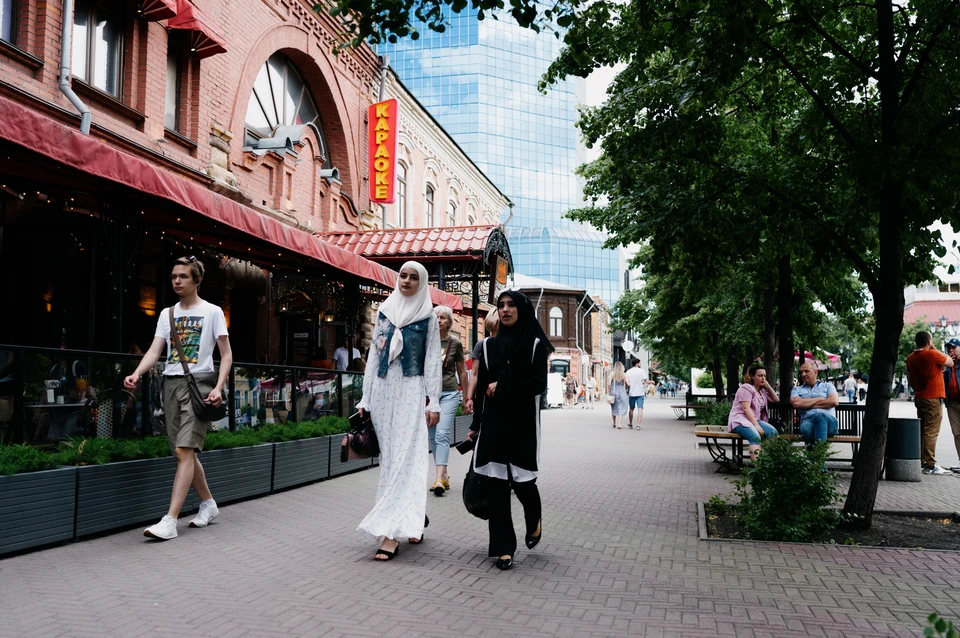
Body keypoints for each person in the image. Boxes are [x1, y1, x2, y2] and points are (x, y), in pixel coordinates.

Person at [124, 256, 232, 540]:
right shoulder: (166, 314)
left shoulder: (213, 312)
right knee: (182, 451)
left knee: (186, 450)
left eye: (183, 276)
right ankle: (208, 504)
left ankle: (170, 520)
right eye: (173, 276)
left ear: (197, 280)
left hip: (200, 385)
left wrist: (219, 387)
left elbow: (227, 354)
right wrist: (137, 373)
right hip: (170, 385)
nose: (176, 281)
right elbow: (154, 351)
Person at [356, 261, 441, 560]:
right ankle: (410, 516)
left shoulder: (428, 316)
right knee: (391, 461)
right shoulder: (384, 311)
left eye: (413, 277)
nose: (406, 280)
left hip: (411, 390)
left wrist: (435, 400)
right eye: (403, 275)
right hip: (382, 390)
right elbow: (373, 355)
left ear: (422, 282)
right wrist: (365, 398)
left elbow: (432, 360)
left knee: (407, 457)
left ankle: (390, 533)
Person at [463, 290, 553, 570]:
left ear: (522, 309)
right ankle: (503, 548)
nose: (505, 310)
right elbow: (480, 393)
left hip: (523, 423)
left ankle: (533, 516)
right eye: (501, 306)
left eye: (511, 305)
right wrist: (475, 426)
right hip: (493, 423)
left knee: (524, 483)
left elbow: (538, 385)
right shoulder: (488, 347)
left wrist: (505, 386)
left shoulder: (536, 344)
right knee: (497, 485)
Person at [429, 305, 466, 496]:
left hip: (449, 393)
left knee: (442, 434)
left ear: (449, 322)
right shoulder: (426, 341)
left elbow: (462, 372)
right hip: (429, 395)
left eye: (443, 317)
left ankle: (437, 479)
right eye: (436, 317)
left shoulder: (455, 343)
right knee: (433, 437)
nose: (439, 320)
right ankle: (443, 474)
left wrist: (467, 397)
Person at [905, 330, 954, 475]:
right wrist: (933, 347)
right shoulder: (932, 354)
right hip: (933, 398)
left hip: (920, 397)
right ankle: (930, 464)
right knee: (931, 431)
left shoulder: (910, 358)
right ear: (928, 341)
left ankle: (920, 461)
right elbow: (950, 362)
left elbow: (910, 378)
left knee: (922, 430)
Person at [727, 364, 780, 461]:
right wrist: (756, 425)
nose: (763, 378)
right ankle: (758, 470)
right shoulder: (746, 388)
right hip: (740, 420)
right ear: (751, 376)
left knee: (773, 433)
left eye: (764, 376)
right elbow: (746, 409)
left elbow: (776, 399)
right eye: (760, 376)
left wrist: (767, 386)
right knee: (755, 437)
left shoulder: (762, 391)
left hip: (754, 420)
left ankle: (767, 462)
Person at [791, 361, 840, 445]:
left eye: (806, 371)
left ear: (816, 372)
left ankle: (816, 455)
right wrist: (820, 399)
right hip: (807, 421)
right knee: (806, 429)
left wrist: (806, 404)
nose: (803, 374)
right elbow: (796, 404)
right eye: (801, 372)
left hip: (829, 422)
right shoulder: (796, 389)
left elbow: (834, 401)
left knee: (820, 416)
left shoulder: (828, 386)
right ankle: (817, 455)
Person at [464, 312, 499, 416]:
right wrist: (469, 398)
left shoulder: (511, 343)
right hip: (485, 394)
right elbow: (474, 374)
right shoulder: (482, 345)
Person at [942, 338, 960, 472]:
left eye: (953, 348)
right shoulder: (948, 365)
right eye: (949, 348)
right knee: (957, 433)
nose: (950, 350)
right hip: (952, 403)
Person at [624, 359, 645, 429]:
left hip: (632, 393)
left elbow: (627, 382)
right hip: (640, 393)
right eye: (640, 362)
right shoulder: (641, 371)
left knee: (631, 409)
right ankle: (638, 424)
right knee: (640, 409)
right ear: (637, 363)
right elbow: (645, 381)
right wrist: (651, 382)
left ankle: (630, 423)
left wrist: (630, 385)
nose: (640, 364)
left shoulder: (628, 372)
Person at [608, 362, 629, 429]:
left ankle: (614, 422)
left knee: (614, 407)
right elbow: (628, 384)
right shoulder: (624, 374)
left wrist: (609, 391)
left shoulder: (612, 374)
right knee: (621, 407)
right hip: (622, 392)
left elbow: (609, 384)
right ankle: (619, 424)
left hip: (614, 391)